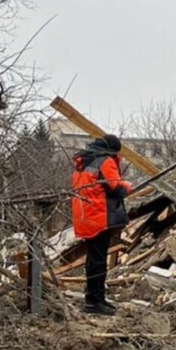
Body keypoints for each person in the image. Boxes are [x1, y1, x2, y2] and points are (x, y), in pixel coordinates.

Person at [71, 134, 132, 316]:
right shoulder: (105, 160)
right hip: (99, 216)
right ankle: (94, 302)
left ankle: (96, 298)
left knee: (93, 259)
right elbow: (116, 187)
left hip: (85, 216)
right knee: (98, 260)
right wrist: (127, 186)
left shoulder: (84, 161)